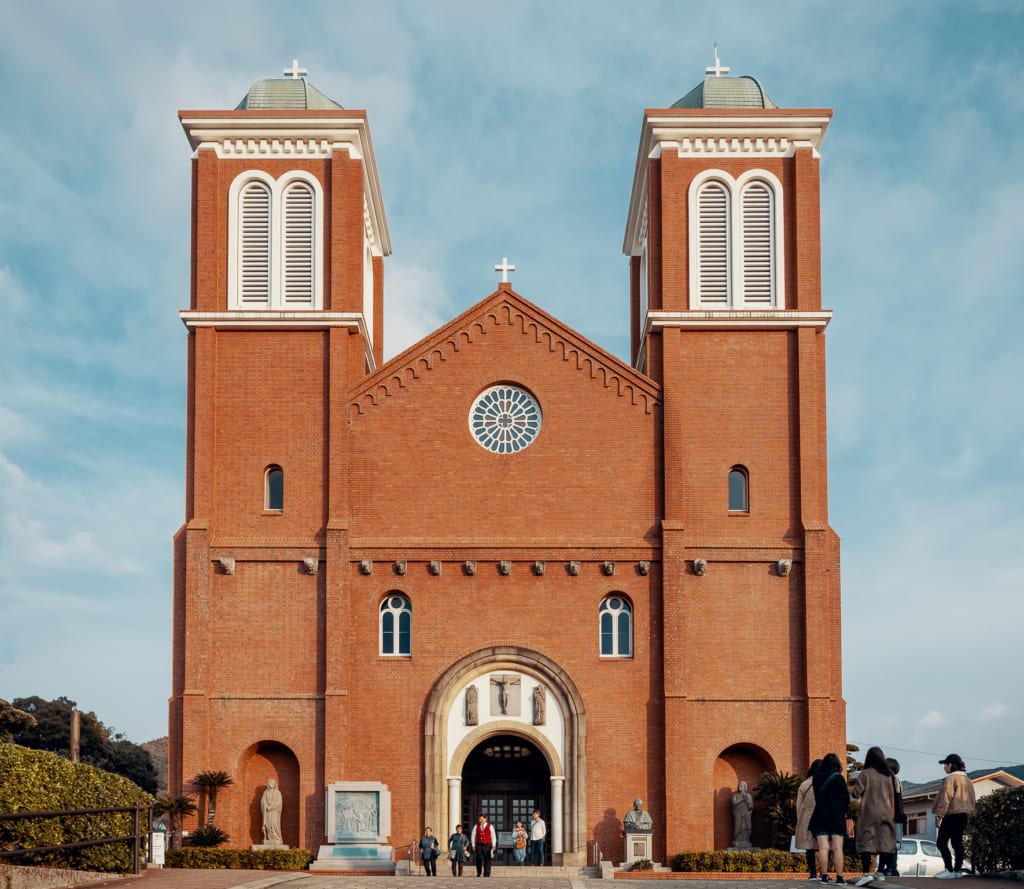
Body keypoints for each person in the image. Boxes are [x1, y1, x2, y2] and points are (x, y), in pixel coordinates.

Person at [852, 747, 897, 886]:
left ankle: (866, 873)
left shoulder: (865, 774)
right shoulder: (889, 776)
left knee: (866, 841)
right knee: (884, 842)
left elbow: (855, 793)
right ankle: (879, 872)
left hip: (869, 812)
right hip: (887, 812)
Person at [809, 752, 850, 884]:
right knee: (838, 848)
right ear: (837, 765)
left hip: (820, 815)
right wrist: (842, 809)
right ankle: (839, 877)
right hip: (836, 816)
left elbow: (817, 797)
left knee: (823, 848)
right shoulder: (839, 778)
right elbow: (847, 799)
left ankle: (824, 876)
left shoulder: (816, 778)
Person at [933, 754, 976, 879]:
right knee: (957, 843)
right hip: (963, 815)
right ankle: (957, 870)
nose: (944, 767)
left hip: (951, 814)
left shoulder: (951, 779)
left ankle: (948, 870)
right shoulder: (968, 780)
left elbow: (945, 798)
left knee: (941, 842)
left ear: (950, 765)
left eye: (945, 764)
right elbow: (972, 799)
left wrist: (939, 816)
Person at [796, 759, 822, 880]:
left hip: (807, 819)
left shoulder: (804, 784)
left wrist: (800, 820)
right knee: (824, 846)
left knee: (809, 848)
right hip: (823, 819)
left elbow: (798, 806)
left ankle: (812, 874)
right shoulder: (825, 782)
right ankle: (824, 873)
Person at [885, 758, 905, 878]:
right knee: (894, 843)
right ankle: (892, 868)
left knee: (889, 843)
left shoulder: (888, 780)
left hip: (890, 816)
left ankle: (891, 868)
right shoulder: (897, 780)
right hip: (898, 816)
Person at [471, 812, 496, 877]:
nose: (480, 820)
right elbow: (473, 836)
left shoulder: (490, 826)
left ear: (485, 819)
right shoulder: (476, 826)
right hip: (479, 845)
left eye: (481, 819)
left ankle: (487, 873)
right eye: (479, 819)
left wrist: (494, 845)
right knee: (478, 859)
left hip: (487, 845)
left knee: (487, 859)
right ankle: (479, 872)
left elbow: (493, 836)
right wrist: (473, 845)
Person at [731, 781, 754, 847]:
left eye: (742, 785)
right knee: (738, 826)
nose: (740, 786)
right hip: (738, 814)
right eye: (739, 785)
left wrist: (746, 800)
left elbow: (751, 806)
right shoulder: (735, 795)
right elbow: (734, 803)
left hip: (746, 814)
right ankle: (737, 841)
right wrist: (742, 799)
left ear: (745, 787)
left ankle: (746, 841)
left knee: (747, 827)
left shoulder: (748, 795)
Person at [261, 778, 283, 845]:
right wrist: (266, 806)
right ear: (268, 784)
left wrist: (272, 807)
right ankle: (268, 837)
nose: (271, 784)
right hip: (267, 812)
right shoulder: (265, 792)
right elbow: (263, 801)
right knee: (267, 825)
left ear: (274, 784)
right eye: (270, 783)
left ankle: (276, 836)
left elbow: (279, 802)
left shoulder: (278, 793)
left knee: (274, 824)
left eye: (273, 783)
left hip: (274, 812)